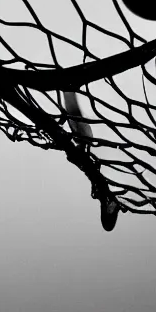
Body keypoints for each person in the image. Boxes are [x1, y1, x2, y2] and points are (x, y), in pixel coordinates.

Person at [62, 90, 120, 231]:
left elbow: (94, 177)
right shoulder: (106, 193)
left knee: (77, 126)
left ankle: (67, 90)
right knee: (79, 129)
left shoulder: (102, 193)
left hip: (84, 155)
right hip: (86, 155)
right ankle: (68, 90)